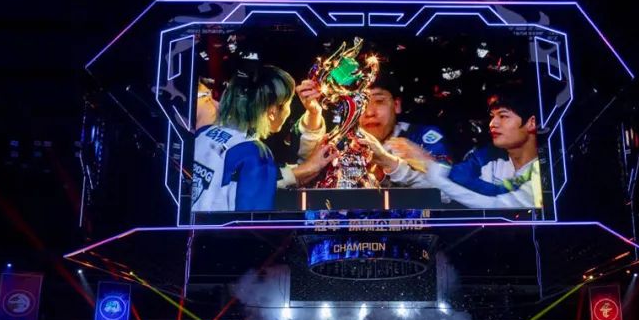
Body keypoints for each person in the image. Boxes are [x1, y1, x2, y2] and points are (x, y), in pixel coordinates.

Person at [191, 64, 337, 212]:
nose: (288, 111)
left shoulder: (205, 132)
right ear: (272, 111)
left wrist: (313, 114)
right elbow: (254, 222)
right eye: (288, 104)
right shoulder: (255, 154)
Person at [287, 69, 466, 189]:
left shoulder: (422, 138)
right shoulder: (341, 142)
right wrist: (313, 113)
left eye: (379, 101)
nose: (370, 112)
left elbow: (449, 191)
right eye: (361, 103)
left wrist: (388, 162)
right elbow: (306, 173)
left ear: (396, 104)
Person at [385, 89, 543, 208]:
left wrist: (427, 162)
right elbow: (450, 185)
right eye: (492, 116)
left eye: (503, 116)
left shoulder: (546, 169)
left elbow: (496, 201)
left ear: (531, 123)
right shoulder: (486, 156)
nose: (492, 123)